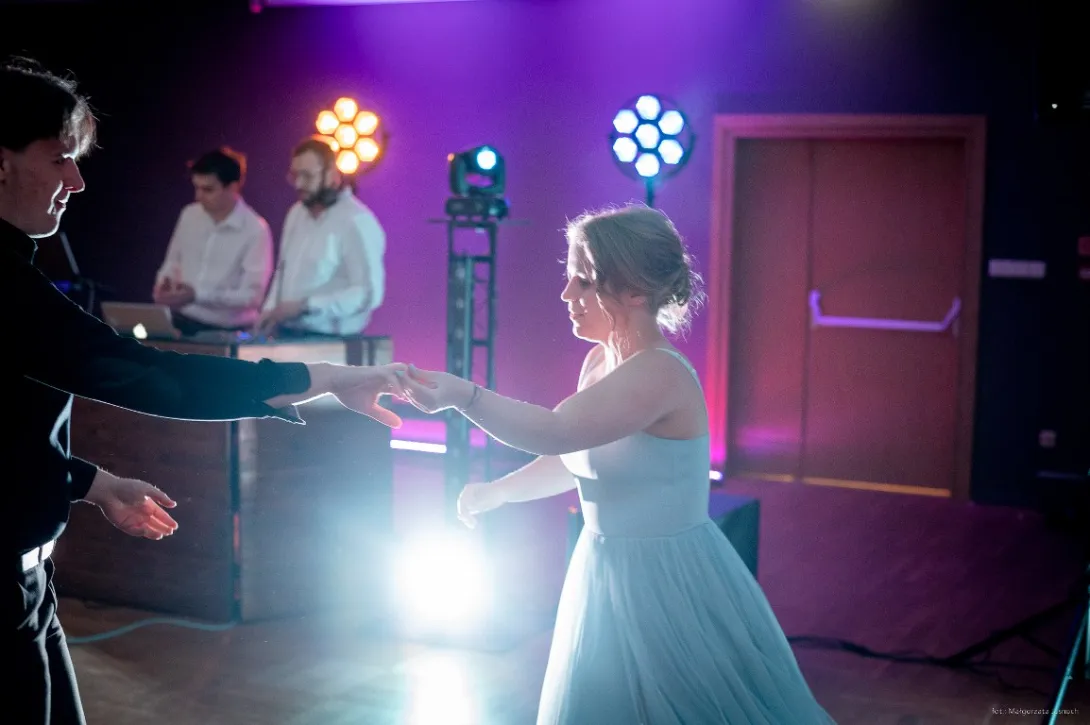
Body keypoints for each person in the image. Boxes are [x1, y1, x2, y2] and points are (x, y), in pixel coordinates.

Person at [0, 57, 407, 725]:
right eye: (59, 158)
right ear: (1, 162)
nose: (76, 181)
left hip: (29, 583)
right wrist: (320, 378)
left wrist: (90, 481)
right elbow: (150, 376)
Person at [400, 204, 837, 724]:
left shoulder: (660, 373)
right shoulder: (600, 361)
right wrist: (499, 491)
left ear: (634, 291)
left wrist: (463, 396)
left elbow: (555, 430)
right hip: (605, 566)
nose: (567, 294)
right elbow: (576, 456)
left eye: (584, 281)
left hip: (666, 577)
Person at [255, 137, 385, 337]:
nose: (299, 184)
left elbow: (368, 294)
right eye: (295, 175)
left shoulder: (356, 221)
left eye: (307, 176)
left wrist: (307, 306)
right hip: (287, 334)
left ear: (332, 175)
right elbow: (283, 272)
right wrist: (268, 311)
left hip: (333, 340)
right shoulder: (296, 213)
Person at [152, 147, 274, 335]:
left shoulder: (255, 230)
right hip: (181, 321)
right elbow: (173, 261)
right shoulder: (189, 214)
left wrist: (197, 295)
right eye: (196, 187)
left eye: (208, 189)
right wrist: (164, 284)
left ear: (233, 187)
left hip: (227, 331)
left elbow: (253, 297)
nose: (198, 196)